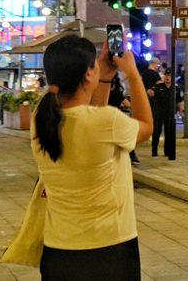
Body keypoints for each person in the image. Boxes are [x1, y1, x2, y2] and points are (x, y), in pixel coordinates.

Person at [32, 35, 153, 279]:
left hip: (58, 250)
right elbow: (146, 126)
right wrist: (132, 74)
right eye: (94, 65)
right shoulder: (106, 121)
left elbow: (90, 117)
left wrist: (105, 77)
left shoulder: (41, 118)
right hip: (109, 248)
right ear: (88, 75)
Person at [108, 76, 139, 165]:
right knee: (125, 137)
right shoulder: (117, 93)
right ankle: (132, 157)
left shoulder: (102, 93)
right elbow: (128, 105)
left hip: (105, 118)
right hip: (117, 118)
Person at [148, 70, 176, 159]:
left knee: (168, 133)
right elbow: (150, 92)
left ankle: (167, 151)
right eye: (166, 75)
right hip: (158, 113)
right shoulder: (158, 86)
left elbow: (179, 101)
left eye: (170, 75)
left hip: (169, 114)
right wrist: (150, 92)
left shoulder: (176, 88)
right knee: (156, 132)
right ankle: (154, 150)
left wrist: (181, 110)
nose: (168, 77)